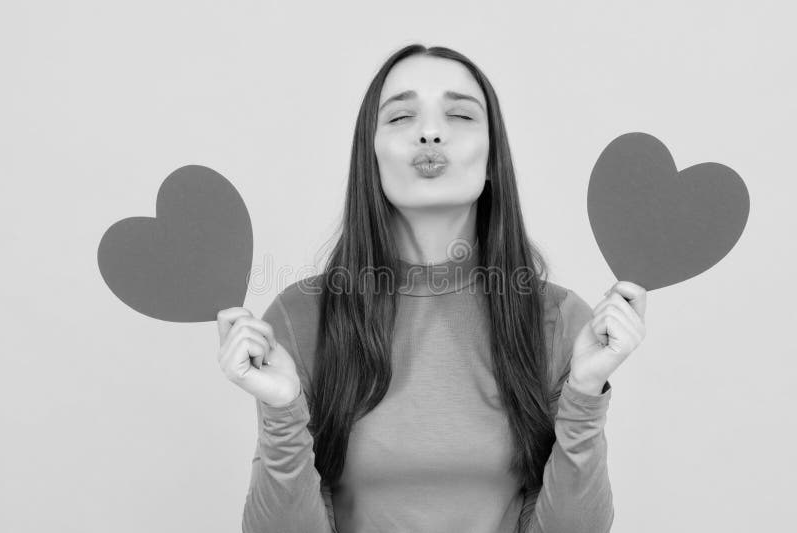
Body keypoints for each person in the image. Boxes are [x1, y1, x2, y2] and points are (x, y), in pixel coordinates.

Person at [217, 43, 647, 533]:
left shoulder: (557, 319)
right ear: (371, 158)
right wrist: (281, 412)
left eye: (460, 115)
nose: (430, 131)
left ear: (491, 161)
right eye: (400, 117)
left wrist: (585, 394)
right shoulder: (300, 318)